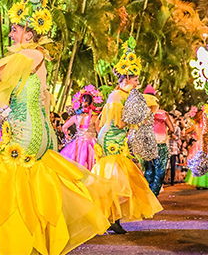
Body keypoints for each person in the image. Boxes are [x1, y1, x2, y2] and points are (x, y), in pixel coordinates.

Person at [0, 0, 112, 254]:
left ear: (29, 34)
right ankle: (26, 244)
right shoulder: (29, 56)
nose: (11, 31)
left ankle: (17, 245)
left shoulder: (28, 55)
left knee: (12, 190)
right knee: (21, 191)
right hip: (29, 133)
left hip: (25, 137)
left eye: (16, 28)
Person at [92, 37, 163, 234]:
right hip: (111, 140)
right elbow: (119, 123)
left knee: (121, 179)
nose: (137, 82)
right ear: (126, 78)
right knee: (115, 180)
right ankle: (109, 218)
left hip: (120, 139)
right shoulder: (116, 96)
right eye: (135, 79)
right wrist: (138, 120)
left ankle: (113, 219)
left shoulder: (129, 95)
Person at [60, 86, 102, 169]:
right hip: (91, 145)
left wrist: (67, 136)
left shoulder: (75, 117)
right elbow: (100, 133)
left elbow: (64, 127)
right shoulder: (94, 118)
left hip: (78, 144)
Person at [142, 86, 174, 196]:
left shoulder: (142, 116)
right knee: (159, 173)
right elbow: (172, 129)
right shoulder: (163, 114)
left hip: (147, 146)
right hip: (160, 145)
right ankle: (153, 195)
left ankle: (147, 195)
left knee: (149, 172)